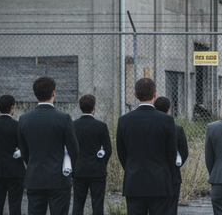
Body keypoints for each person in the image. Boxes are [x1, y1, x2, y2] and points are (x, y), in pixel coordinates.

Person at [18, 76, 80, 215]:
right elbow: (74, 150)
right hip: (58, 179)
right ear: (53, 93)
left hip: (35, 178)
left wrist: (33, 164)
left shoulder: (24, 119)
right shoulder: (64, 118)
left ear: (35, 94)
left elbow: (24, 151)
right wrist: (70, 171)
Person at [116, 78, 177, 215]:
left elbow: (121, 152)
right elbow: (171, 153)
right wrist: (165, 172)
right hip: (160, 183)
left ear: (136, 95)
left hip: (134, 182)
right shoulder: (166, 120)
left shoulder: (124, 121)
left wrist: (131, 168)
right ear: (155, 94)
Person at [72, 94, 113, 215]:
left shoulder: (73, 126)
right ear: (94, 107)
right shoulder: (101, 126)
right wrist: (101, 163)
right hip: (97, 171)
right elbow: (108, 149)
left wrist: (75, 164)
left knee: (78, 204)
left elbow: (71, 149)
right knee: (97, 204)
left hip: (79, 170)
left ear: (80, 107)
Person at [0, 94, 25, 215]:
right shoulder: (18, 126)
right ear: (12, 107)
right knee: (15, 205)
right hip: (15, 171)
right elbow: (24, 147)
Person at [155, 96, 189, 215]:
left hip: (153, 174)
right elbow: (184, 152)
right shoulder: (177, 129)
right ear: (169, 110)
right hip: (172, 175)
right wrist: (176, 165)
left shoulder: (151, 128)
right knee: (171, 207)